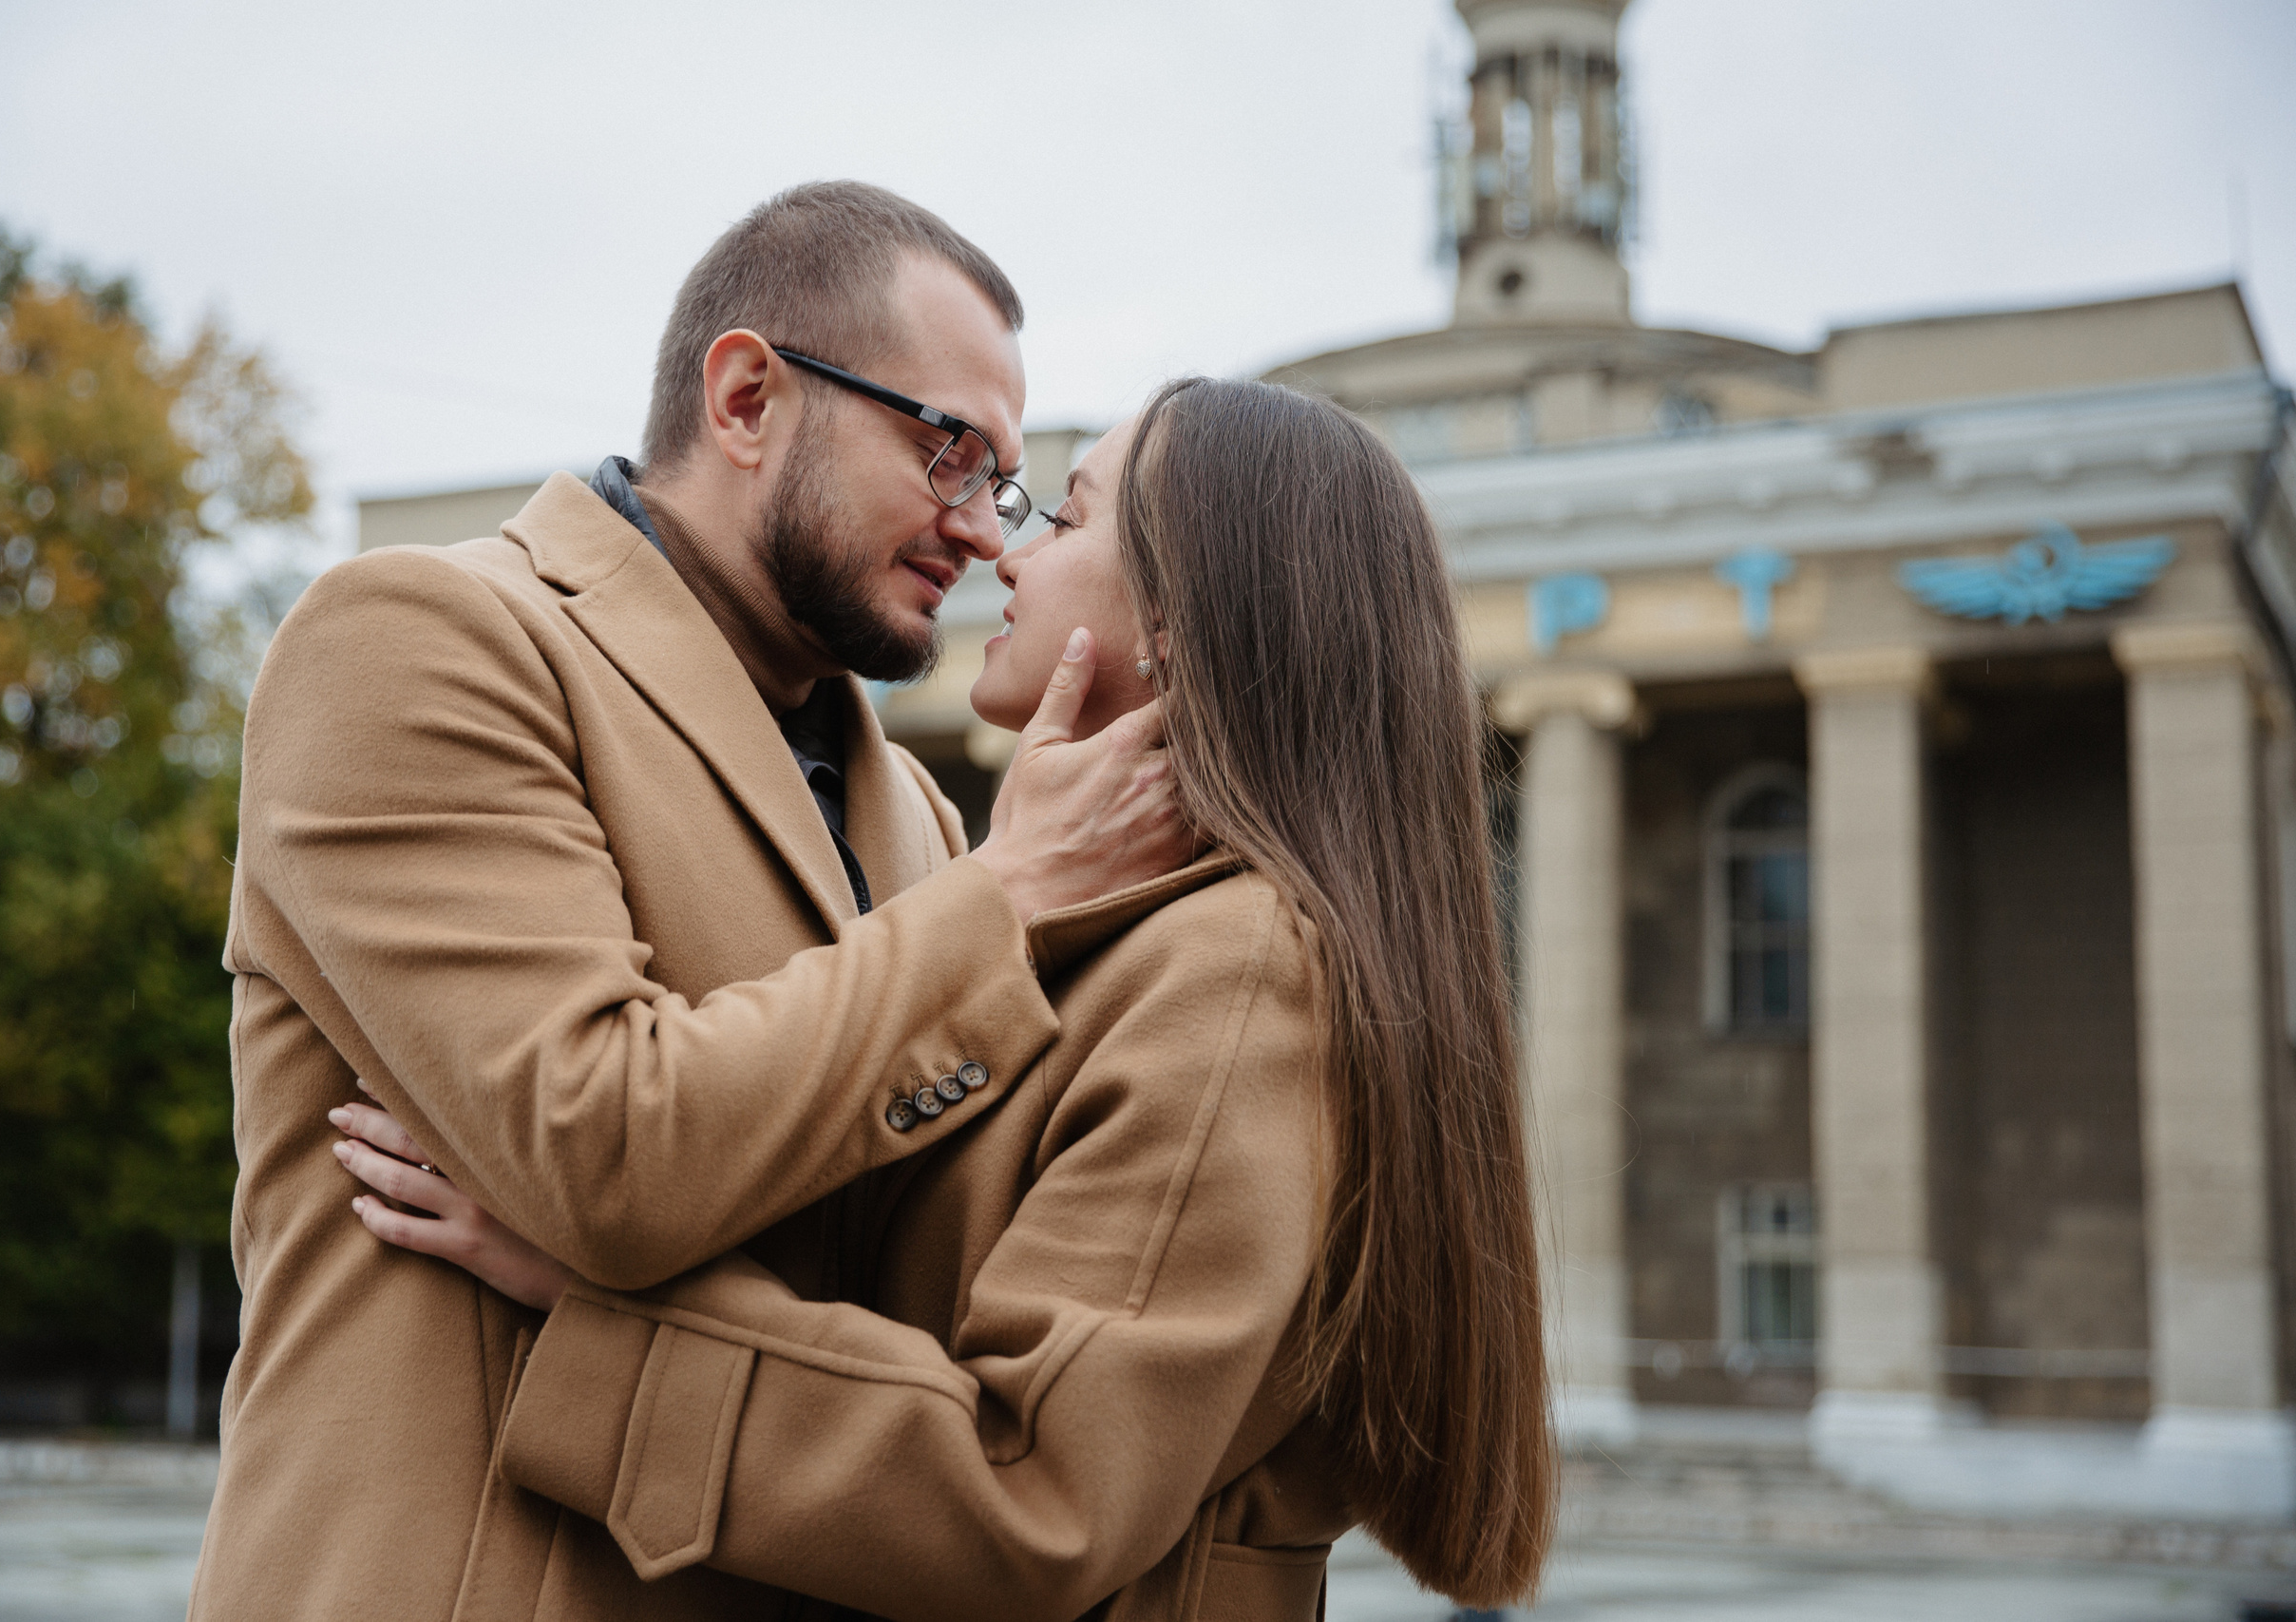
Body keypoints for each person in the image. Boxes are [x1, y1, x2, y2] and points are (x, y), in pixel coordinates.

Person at [332, 377, 1557, 1620]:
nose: (1007, 559)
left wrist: (593, 1305)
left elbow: (1033, 1496)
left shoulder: (1236, 972)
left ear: (1180, 621)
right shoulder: (1148, 939)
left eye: (1066, 521)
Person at [186, 183, 1191, 1622]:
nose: (982, 532)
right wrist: (1013, 900)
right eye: (949, 452)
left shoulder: (915, 816)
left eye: (1008, 486)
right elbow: (600, 1157)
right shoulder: (421, 637)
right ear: (745, 398)